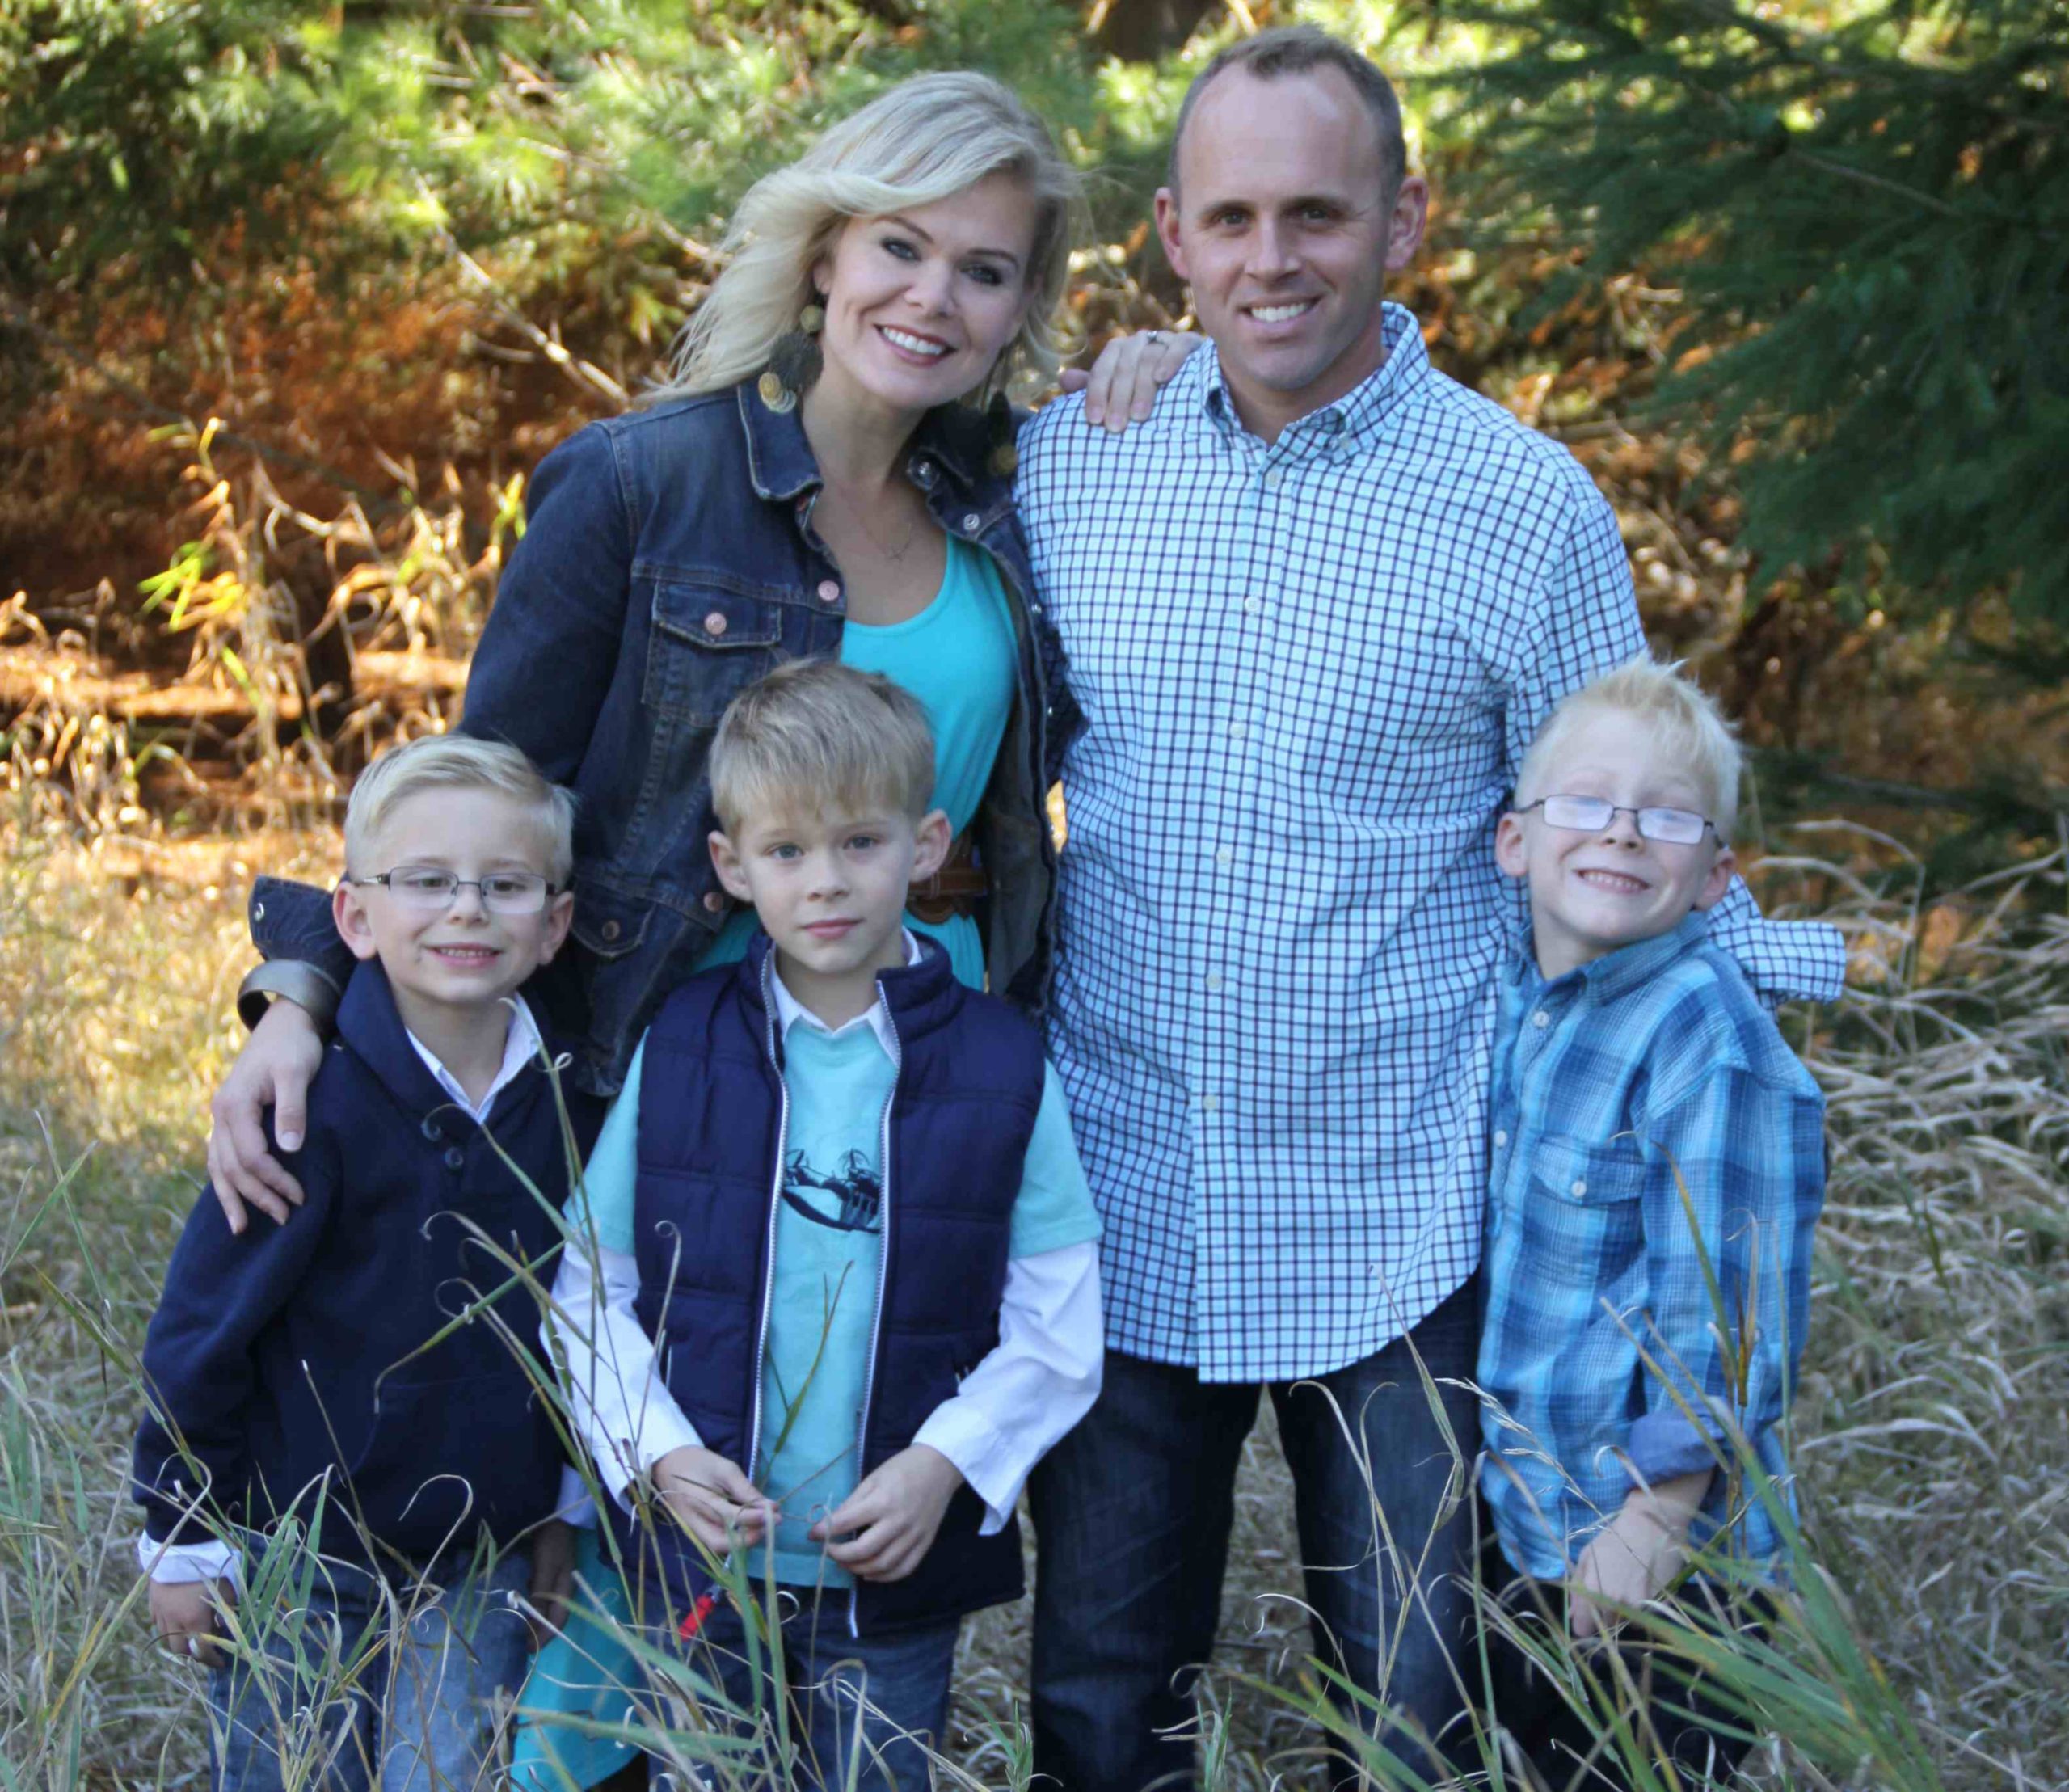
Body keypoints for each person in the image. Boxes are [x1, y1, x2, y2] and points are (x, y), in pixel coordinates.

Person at [192, 71, 1188, 1790]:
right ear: (824, 252)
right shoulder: (645, 483)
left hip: (903, 1086)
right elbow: (475, 789)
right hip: (651, 1082)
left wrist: (1165, 368)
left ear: (1028, 303)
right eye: (899, 247)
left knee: (837, 1549)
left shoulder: (1013, 504)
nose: (931, 298)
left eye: (986, 270)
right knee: (601, 1594)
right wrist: (300, 984)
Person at [1009, 25, 1846, 1788]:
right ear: (1170, 235)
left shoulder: (1522, 509)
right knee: (1094, 1714)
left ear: (1402, 221)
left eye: (1317, 213)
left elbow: (1637, 835)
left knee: (1417, 1723)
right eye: (1230, 218)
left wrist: (1732, 1091)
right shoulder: (1071, 464)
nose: (1271, 259)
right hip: (1116, 1191)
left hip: (1404, 1217)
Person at [546, 658, 1103, 1790]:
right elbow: (587, 1290)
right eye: (788, 851)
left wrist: (944, 1465)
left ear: (927, 843)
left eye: (860, 842)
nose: (827, 883)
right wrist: (660, 1456)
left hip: (889, 1574)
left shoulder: (1001, 1064)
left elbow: (1059, 1321)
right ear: (732, 865)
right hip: (707, 1565)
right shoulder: (686, 1043)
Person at [130, 735, 596, 1791]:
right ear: (353, 918)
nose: (466, 909)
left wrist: (557, 1509)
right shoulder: (308, 1109)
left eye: (505, 885)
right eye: (425, 881)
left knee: (451, 1774)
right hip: (301, 1554)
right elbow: (202, 1326)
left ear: (556, 922)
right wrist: (184, 1531)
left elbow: (571, 1331)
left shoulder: (568, 1101)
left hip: (477, 1558)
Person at [1475, 660, 1827, 1787]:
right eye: (1585, 802)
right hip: (1534, 1527)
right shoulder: (1530, 1006)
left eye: (1667, 816)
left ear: (1717, 874)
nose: (1622, 832)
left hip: (1665, 1569)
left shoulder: (1707, 1041)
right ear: (1515, 842)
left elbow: (1731, 1320)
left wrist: (1656, 1514)